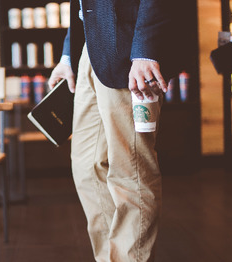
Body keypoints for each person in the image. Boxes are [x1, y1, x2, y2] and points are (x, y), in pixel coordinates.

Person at [48, 0, 181, 261]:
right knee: (87, 167)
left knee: (130, 170)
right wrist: (68, 55)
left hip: (129, 49)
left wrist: (145, 52)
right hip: (91, 49)